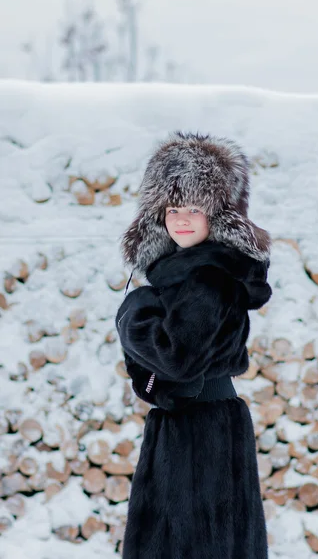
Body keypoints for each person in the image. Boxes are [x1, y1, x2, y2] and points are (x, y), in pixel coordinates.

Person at [115, 131, 273, 559]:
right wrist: (154, 385)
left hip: (199, 434)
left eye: (194, 209)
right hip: (200, 425)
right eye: (172, 209)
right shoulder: (185, 273)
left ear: (217, 216)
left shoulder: (207, 276)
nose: (181, 219)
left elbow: (177, 359)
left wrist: (134, 313)